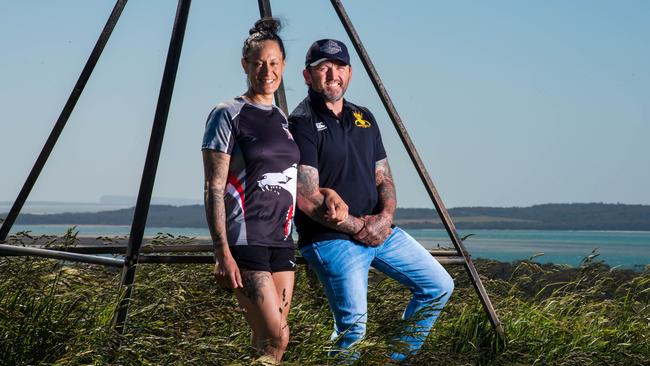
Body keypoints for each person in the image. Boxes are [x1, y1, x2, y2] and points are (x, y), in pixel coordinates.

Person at [289, 39, 455, 361]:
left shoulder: (364, 117)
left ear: (350, 73)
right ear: (308, 76)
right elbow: (306, 197)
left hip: (380, 230)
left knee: (438, 286)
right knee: (353, 329)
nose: (332, 74)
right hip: (331, 238)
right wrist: (357, 228)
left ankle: (393, 360)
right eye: (323, 67)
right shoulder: (301, 123)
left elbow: (384, 178)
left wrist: (384, 220)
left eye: (339, 67)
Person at [201, 21, 346, 363]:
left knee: (266, 344)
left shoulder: (282, 118)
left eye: (274, 63)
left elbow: (289, 176)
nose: (267, 71)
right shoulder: (227, 114)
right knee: (277, 336)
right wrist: (221, 252)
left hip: (281, 239)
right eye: (258, 63)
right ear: (245, 65)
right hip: (245, 238)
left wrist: (327, 191)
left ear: (283, 65)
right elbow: (213, 185)